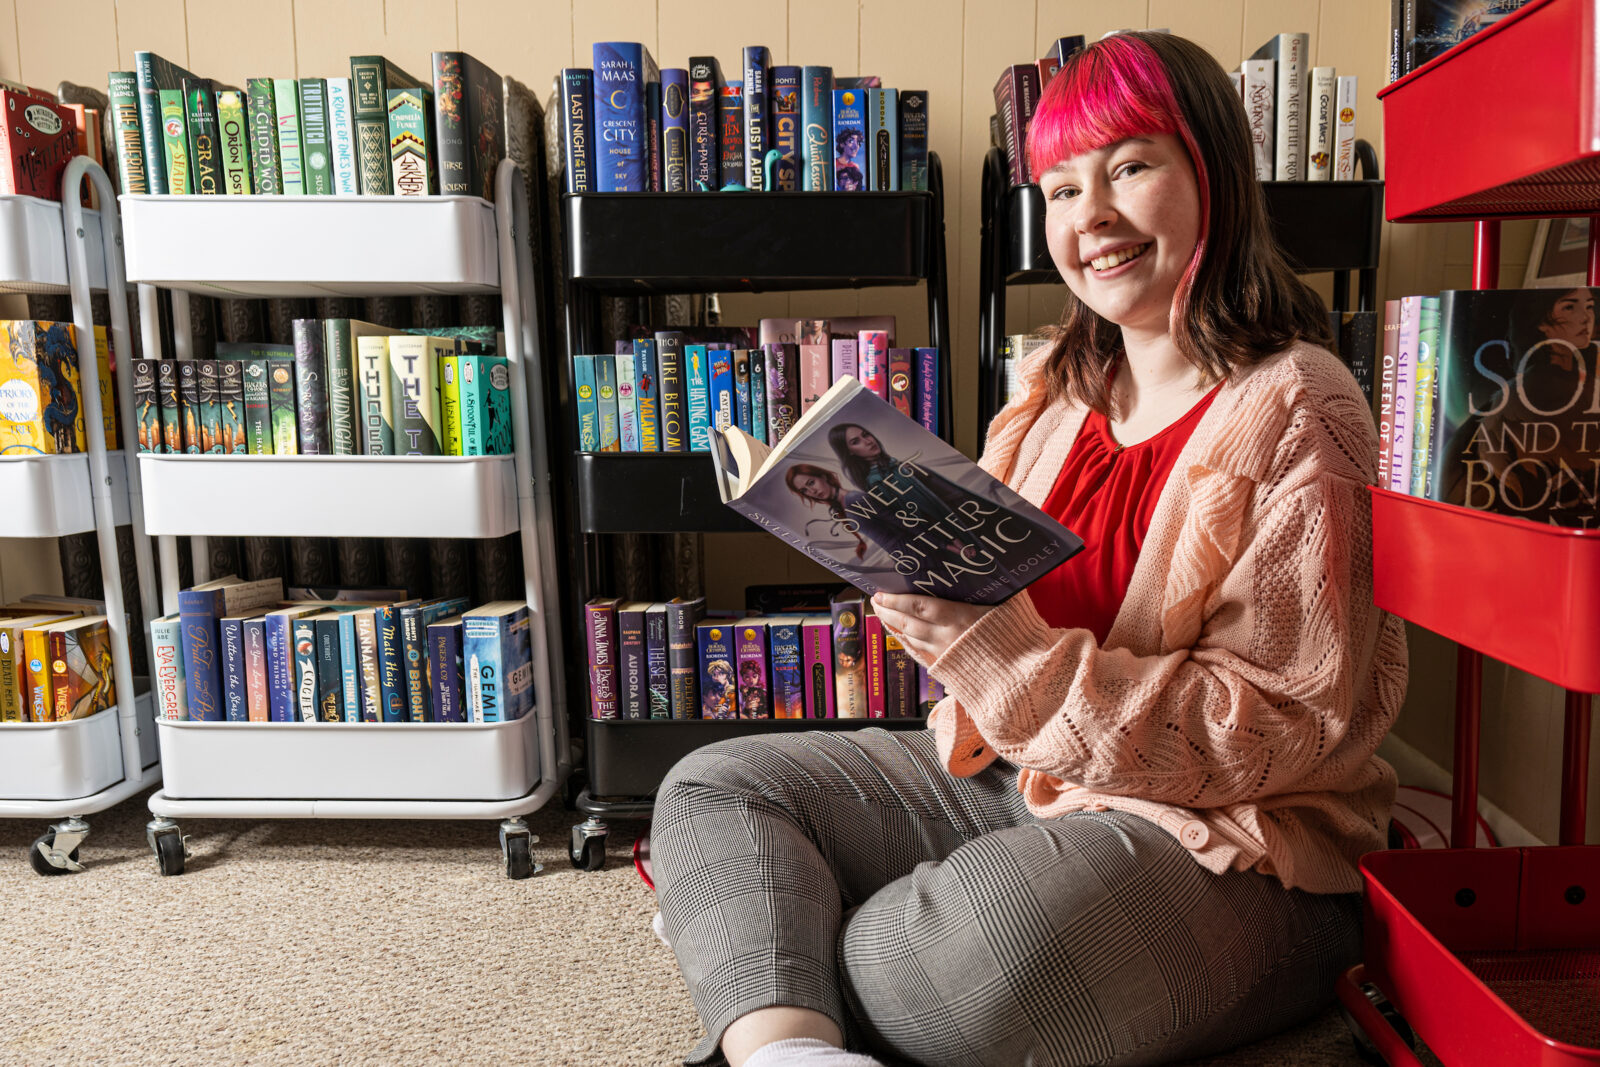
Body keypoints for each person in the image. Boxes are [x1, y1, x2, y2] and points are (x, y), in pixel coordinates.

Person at [653, 30, 1406, 1067]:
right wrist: (921, 598)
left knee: (953, 955)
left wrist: (994, 647)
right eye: (1057, 189)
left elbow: (1283, 729)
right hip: (1025, 775)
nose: (1088, 216)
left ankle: (767, 947)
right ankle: (789, 1046)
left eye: (1129, 167)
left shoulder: (1301, 406)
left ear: (1216, 174)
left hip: (1238, 838)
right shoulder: (1052, 389)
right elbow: (995, 625)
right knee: (714, 785)